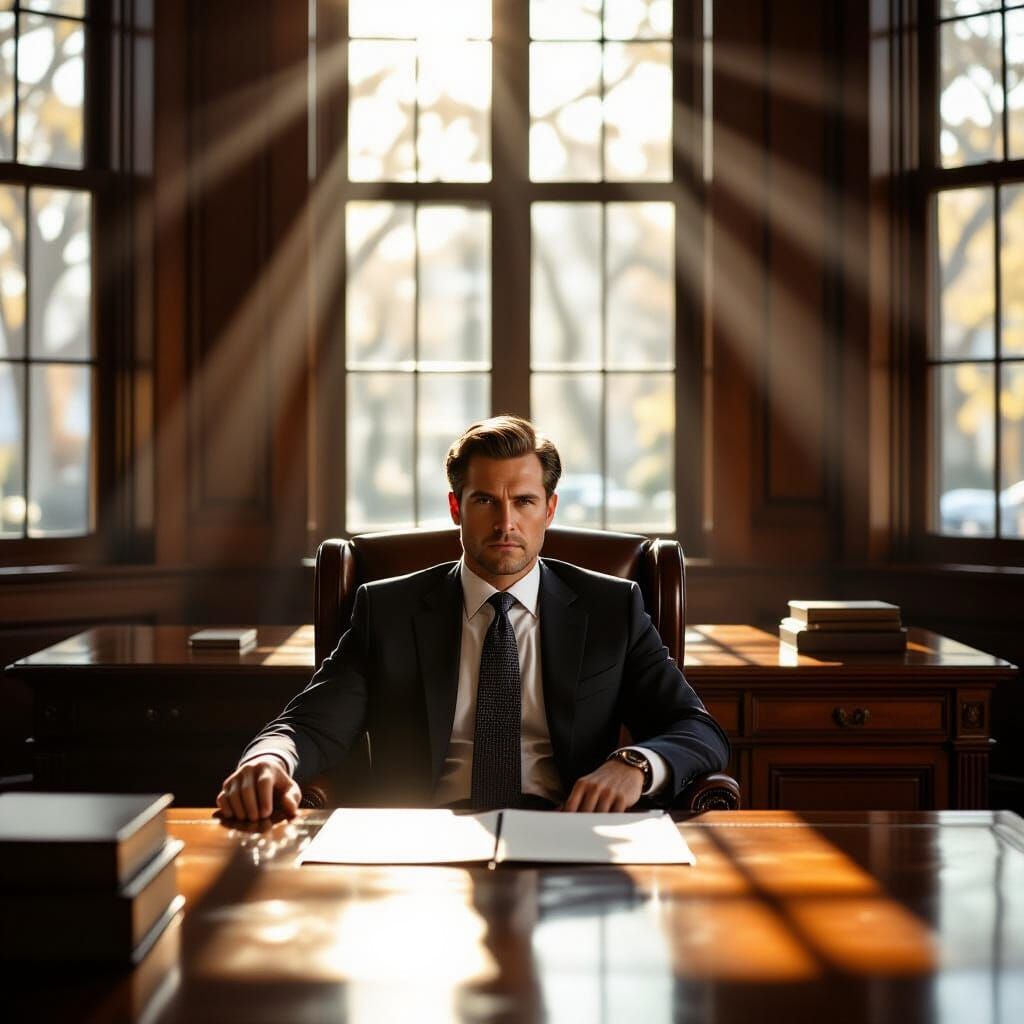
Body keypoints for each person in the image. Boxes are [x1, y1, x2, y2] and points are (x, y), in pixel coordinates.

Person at [217, 416, 729, 820]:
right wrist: (269, 761)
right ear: (456, 507)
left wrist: (634, 763)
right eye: (485, 500)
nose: (506, 522)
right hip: (423, 842)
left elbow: (697, 730)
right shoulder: (387, 610)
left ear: (549, 510)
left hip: (568, 832)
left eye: (524, 501)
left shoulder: (612, 607)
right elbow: (309, 725)